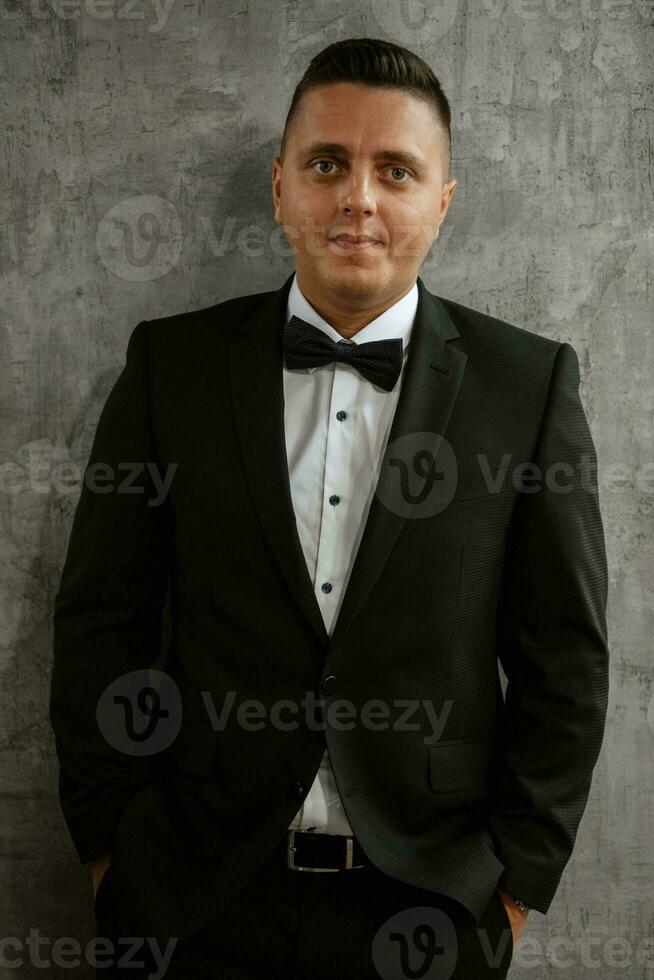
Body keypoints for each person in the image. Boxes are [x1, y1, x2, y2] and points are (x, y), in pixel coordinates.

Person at [49, 37, 610, 979]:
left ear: (442, 198)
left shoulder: (529, 387)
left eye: (396, 169)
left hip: (434, 908)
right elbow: (103, 622)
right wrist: (111, 851)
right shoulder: (170, 369)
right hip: (194, 900)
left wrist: (511, 890)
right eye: (326, 164)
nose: (358, 197)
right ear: (279, 187)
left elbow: (567, 661)